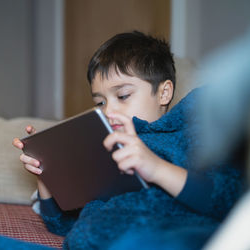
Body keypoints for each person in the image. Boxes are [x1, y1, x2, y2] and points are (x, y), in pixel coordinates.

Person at [13, 31, 243, 249]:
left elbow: (227, 200)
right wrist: (45, 174)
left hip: (164, 235)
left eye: (123, 96)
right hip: (101, 240)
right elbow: (63, 226)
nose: (109, 109)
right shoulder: (103, 147)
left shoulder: (191, 131)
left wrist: (155, 167)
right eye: (100, 102)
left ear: (164, 93)